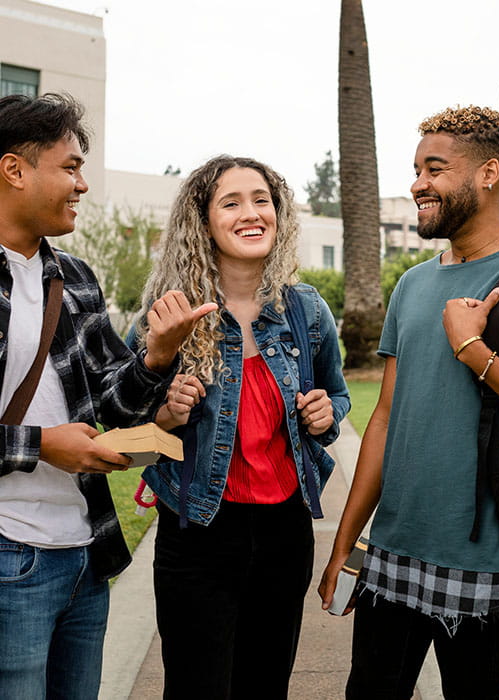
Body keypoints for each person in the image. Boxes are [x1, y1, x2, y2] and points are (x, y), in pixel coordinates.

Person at [319, 105, 499, 700]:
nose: (418, 183)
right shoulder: (413, 284)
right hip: (392, 554)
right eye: (416, 168)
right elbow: (386, 420)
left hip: (484, 560)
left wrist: (475, 351)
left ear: (488, 173)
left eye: (435, 168)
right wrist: (347, 542)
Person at [0, 92, 216, 699]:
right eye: (69, 167)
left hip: (84, 552)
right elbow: (51, 438)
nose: (82, 184)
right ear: (15, 170)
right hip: (8, 556)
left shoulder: (73, 279)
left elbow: (111, 411)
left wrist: (156, 355)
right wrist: (42, 445)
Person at [129, 154, 350, 700]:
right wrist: (166, 414)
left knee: (265, 685)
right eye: (231, 202)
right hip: (199, 533)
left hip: (285, 533)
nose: (252, 213)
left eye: (262, 200)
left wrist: (326, 415)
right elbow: (125, 427)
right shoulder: (169, 315)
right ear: (202, 221)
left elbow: (337, 395)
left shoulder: (306, 311)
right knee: (197, 687)